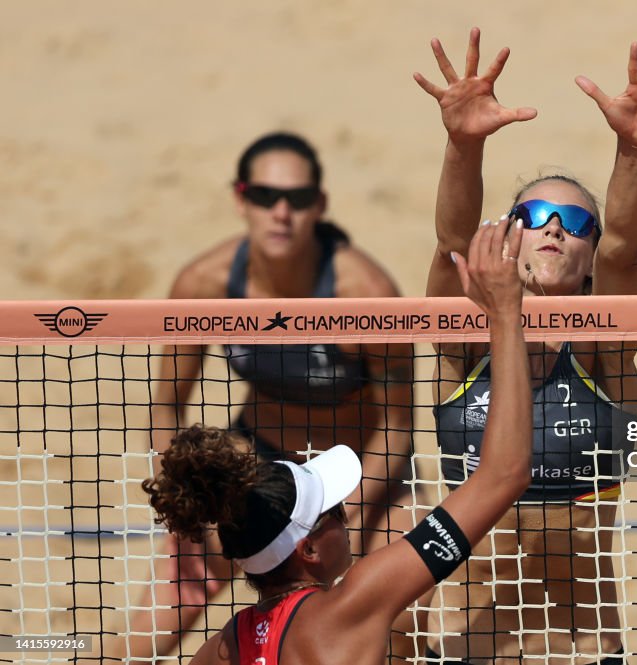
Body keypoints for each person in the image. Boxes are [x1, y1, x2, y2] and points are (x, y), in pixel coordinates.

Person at [414, 28, 637, 663]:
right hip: (464, 644)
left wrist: (633, 150)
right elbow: (450, 243)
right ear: (505, 239)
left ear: (590, 256)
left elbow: (626, 246)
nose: (554, 231)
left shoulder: (603, 352)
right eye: (535, 217)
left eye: (575, 224)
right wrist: (462, 145)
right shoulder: (468, 344)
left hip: (580, 647)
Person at [143, 217, 529, 665]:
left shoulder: (222, 649)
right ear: (307, 549)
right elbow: (505, 473)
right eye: (332, 512)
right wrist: (504, 313)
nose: (346, 517)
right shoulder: (356, 604)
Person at [120, 132, 416, 661]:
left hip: (356, 477)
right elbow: (167, 406)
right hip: (253, 473)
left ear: (319, 205)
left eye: (298, 199)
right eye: (264, 196)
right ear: (241, 199)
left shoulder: (366, 296)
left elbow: (397, 427)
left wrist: (344, 514)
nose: (282, 212)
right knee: (141, 636)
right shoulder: (206, 285)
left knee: (401, 615)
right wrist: (194, 504)